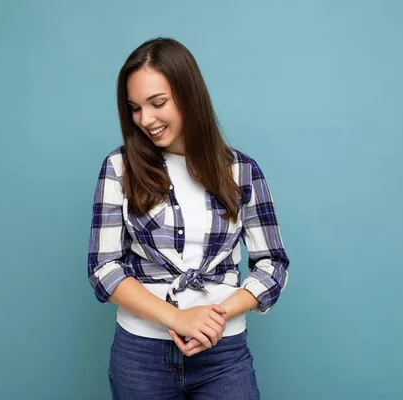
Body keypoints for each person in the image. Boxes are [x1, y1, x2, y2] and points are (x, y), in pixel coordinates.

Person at [87, 37, 290, 399]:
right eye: (134, 108)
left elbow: (273, 266)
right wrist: (177, 318)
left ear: (189, 94)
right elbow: (104, 269)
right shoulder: (119, 168)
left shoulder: (241, 171)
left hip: (223, 355)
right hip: (141, 356)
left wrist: (216, 315)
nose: (145, 119)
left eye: (157, 103)